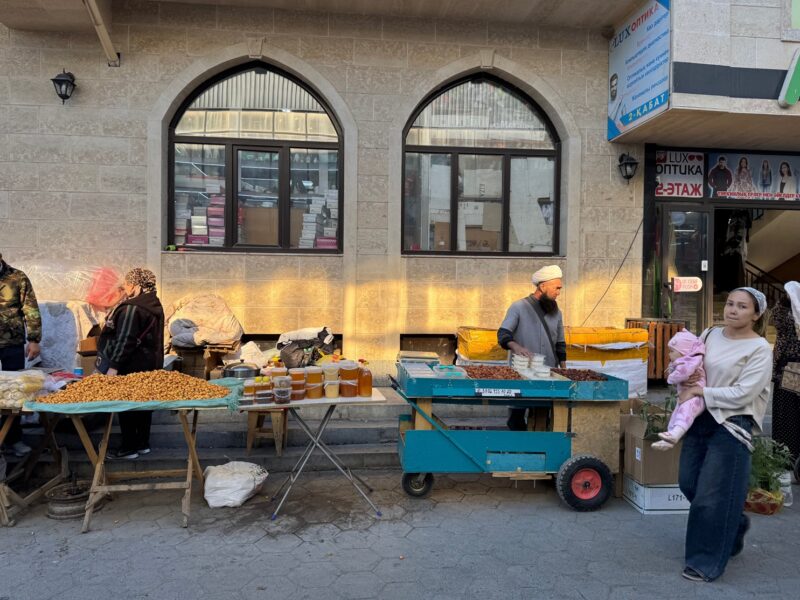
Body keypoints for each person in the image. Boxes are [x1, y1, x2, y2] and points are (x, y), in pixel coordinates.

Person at [676, 287, 772, 582]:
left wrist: (701, 391)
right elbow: (693, 365)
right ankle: (735, 522)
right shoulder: (709, 334)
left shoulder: (759, 349)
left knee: (711, 495)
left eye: (742, 307)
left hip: (733, 423)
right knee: (688, 483)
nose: (732, 310)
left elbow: (745, 393)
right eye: (730, 303)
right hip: (701, 418)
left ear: (756, 315)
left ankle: (703, 563)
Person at [97, 267, 164, 459]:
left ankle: (128, 447)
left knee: (126, 405)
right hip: (150, 364)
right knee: (143, 405)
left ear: (135, 286)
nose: (125, 289)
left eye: (127, 284)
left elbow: (125, 339)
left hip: (131, 365)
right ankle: (142, 443)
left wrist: (114, 366)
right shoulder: (154, 305)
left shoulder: (132, 308)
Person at [497, 265, 566, 431]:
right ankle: (516, 452)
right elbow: (503, 333)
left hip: (547, 374)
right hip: (522, 373)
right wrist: (516, 346)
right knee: (516, 419)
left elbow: (560, 344)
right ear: (542, 286)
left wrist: (564, 370)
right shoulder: (519, 307)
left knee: (544, 417)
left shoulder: (557, 313)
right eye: (556, 288)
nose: (559, 292)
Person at [0, 253, 41, 457]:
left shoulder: (18, 278)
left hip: (12, 343)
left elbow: (30, 309)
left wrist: (34, 340)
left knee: (14, 392)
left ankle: (13, 439)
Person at [651, 331, 706, 451]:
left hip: (696, 397)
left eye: (672, 351)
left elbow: (681, 374)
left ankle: (675, 434)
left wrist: (671, 378)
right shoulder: (684, 360)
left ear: (684, 352)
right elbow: (673, 369)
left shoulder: (691, 361)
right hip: (686, 394)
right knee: (676, 415)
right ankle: (670, 437)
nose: (669, 354)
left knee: (685, 414)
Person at [770, 282, 800, 464]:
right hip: (788, 365)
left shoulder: (784, 311)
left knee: (787, 409)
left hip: (788, 364)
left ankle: (786, 454)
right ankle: (787, 454)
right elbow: (778, 322)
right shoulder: (784, 311)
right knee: (787, 408)